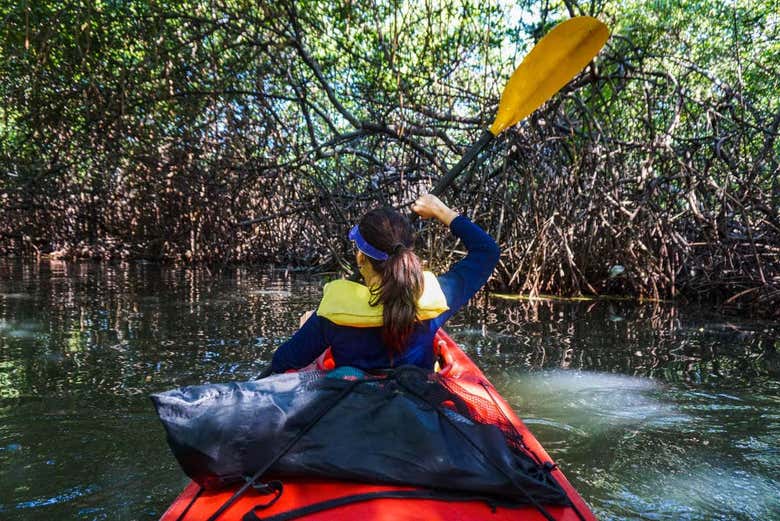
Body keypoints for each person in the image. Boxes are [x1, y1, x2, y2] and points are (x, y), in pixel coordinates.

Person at [270, 193, 500, 373]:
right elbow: (487, 251)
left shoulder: (330, 317)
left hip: (353, 407)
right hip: (415, 404)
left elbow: (284, 362)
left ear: (361, 257)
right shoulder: (439, 298)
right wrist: (441, 210)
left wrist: (309, 327)